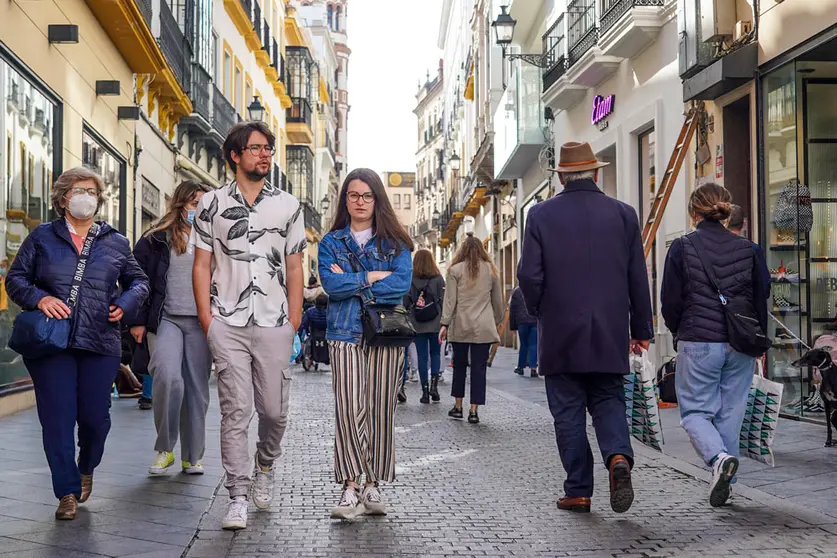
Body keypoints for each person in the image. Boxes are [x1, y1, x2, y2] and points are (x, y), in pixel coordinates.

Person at [517, 141, 653, 515]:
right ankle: (618, 458)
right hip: (610, 329)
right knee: (609, 399)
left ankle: (578, 490)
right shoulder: (624, 215)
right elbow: (636, 277)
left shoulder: (541, 215)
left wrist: (539, 309)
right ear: (596, 172)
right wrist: (641, 327)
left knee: (568, 412)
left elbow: (528, 274)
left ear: (561, 176)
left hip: (560, 332)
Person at [5, 167, 149, 520]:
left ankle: (86, 467)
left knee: (96, 419)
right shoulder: (41, 238)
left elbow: (139, 282)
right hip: (52, 342)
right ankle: (67, 492)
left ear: (99, 199)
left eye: (92, 190)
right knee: (57, 418)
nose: (86, 196)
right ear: (63, 197)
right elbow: (15, 279)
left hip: (99, 341)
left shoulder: (116, 242)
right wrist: (40, 299)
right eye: (79, 190)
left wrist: (125, 305)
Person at [191, 121, 306, 530]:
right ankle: (237, 493)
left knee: (273, 412)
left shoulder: (289, 206)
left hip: (276, 322)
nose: (265, 155)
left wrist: (293, 321)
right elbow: (202, 264)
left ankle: (265, 465)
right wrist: (208, 320)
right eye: (257, 148)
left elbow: (295, 267)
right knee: (235, 410)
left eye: (269, 148)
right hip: (228, 321)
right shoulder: (210, 204)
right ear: (235, 156)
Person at [661, 183, 770, 508]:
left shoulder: (682, 247)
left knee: (695, 411)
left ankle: (719, 460)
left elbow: (671, 300)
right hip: (740, 343)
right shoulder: (750, 249)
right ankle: (727, 482)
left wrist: (677, 330)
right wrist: (760, 340)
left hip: (699, 341)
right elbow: (759, 298)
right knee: (730, 413)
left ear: (694, 211)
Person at [318, 167, 413, 519]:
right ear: (346, 200)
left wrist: (354, 282)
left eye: (367, 195)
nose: (360, 202)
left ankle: (372, 482)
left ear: (377, 200)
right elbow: (330, 285)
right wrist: (373, 276)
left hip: (385, 337)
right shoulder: (331, 243)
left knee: (378, 410)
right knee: (348, 409)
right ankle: (350, 486)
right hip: (343, 334)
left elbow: (400, 284)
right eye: (353, 195)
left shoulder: (396, 243)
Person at [130, 180, 212, 477]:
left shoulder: (217, 239)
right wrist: (137, 320)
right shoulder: (156, 238)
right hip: (164, 319)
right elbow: (136, 279)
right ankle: (165, 448)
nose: (198, 210)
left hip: (202, 322)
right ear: (180, 205)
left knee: (197, 391)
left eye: (203, 204)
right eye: (193, 204)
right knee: (167, 377)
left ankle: (192, 456)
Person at [439, 234, 504, 424]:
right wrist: (497, 321)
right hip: (483, 327)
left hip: (460, 324)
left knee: (459, 367)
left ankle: (458, 407)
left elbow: (450, 301)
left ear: (462, 250)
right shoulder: (491, 272)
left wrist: (444, 324)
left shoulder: (454, 270)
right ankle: (474, 411)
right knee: (479, 368)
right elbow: (498, 303)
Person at [405, 248, 446, 404]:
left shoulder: (411, 279)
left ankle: (425, 392)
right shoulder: (438, 279)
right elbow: (444, 301)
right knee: (435, 354)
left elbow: (407, 302)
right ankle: (434, 387)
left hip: (418, 323)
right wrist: (445, 323)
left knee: (422, 357)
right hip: (436, 323)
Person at [509, 286, 538, 378]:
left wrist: (513, 326)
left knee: (524, 344)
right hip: (535, 321)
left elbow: (512, 310)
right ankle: (533, 368)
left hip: (522, 322)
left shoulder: (516, 292)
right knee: (534, 344)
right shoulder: (536, 289)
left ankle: (520, 367)